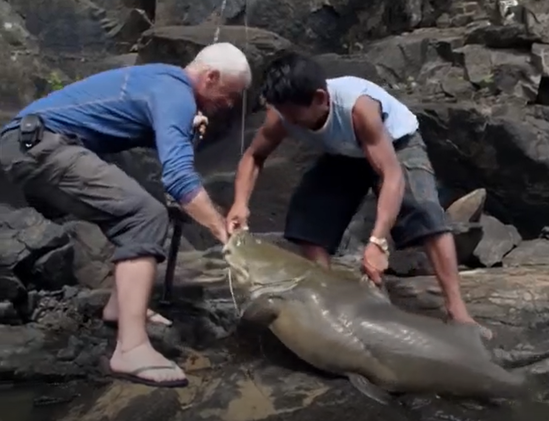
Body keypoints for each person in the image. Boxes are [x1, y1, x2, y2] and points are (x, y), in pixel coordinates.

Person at [0, 42, 252, 387]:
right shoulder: (174, 92)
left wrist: (188, 131)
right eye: (230, 94)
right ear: (210, 77)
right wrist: (222, 231)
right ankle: (131, 349)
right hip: (39, 145)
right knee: (142, 214)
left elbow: (168, 154)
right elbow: (178, 178)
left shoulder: (164, 84)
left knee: (136, 211)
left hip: (32, 142)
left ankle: (121, 309)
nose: (229, 105)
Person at [225, 53, 490, 338]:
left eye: (295, 116)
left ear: (320, 98)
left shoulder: (358, 108)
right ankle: (327, 296)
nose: (290, 123)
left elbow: (392, 176)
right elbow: (254, 156)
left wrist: (377, 242)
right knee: (308, 215)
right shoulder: (281, 116)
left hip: (396, 145)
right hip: (342, 151)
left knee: (425, 213)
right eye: (284, 114)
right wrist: (240, 203)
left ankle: (457, 311)